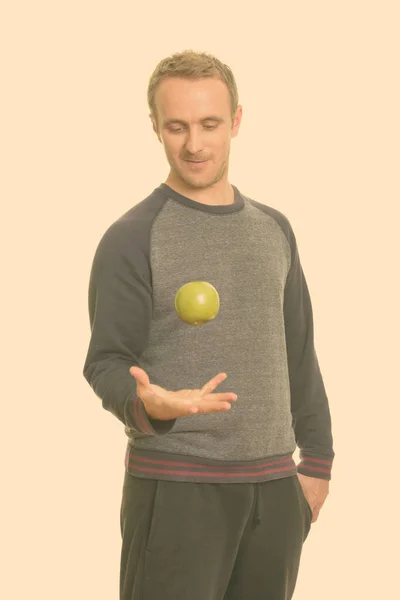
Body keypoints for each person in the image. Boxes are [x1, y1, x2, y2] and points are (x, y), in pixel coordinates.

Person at [82, 49, 335, 600]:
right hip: (177, 490)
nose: (194, 144)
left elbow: (300, 352)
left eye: (209, 124)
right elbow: (104, 361)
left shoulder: (274, 229)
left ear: (237, 121)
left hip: (274, 495)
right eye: (177, 126)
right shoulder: (132, 236)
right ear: (156, 127)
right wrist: (151, 403)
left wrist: (316, 463)